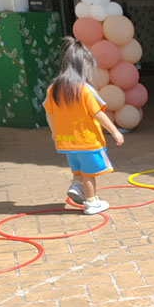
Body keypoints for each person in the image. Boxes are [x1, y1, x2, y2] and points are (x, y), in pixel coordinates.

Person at [43, 38, 123, 215]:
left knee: (78, 169)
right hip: (87, 141)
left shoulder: (53, 89)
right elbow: (98, 114)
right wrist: (115, 131)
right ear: (84, 66)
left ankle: (76, 185)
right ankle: (91, 202)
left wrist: (54, 132)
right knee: (89, 174)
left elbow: (49, 113)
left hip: (67, 141)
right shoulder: (85, 90)